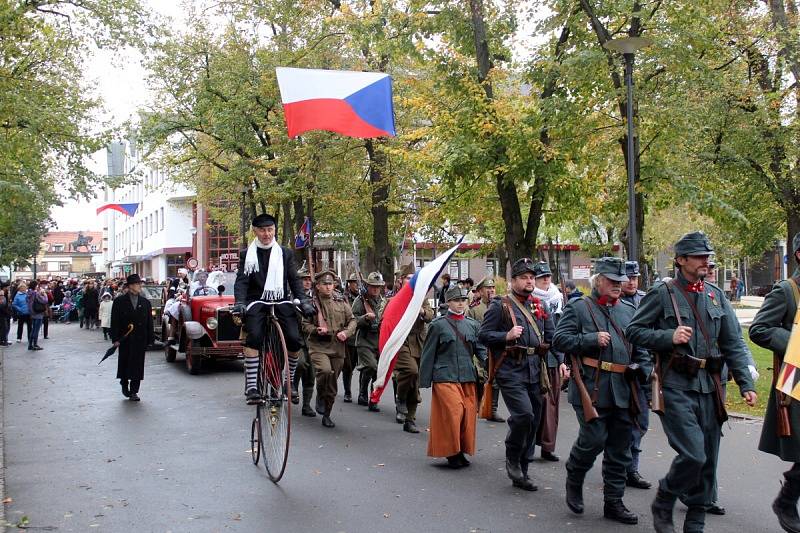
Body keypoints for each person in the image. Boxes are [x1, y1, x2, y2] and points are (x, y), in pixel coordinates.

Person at [626, 231, 757, 533]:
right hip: (677, 384)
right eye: (699, 257)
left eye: (708, 257)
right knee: (694, 454)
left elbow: (733, 341)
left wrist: (746, 383)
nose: (706, 262)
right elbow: (634, 331)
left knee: (709, 457)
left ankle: (695, 521)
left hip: (711, 386)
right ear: (681, 260)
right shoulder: (663, 294)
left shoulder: (715, 294)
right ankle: (665, 498)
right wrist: (666, 337)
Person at [553, 257, 649, 525]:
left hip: (623, 387)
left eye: (621, 282)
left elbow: (640, 346)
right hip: (591, 386)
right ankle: (575, 472)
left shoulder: (629, 311)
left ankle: (614, 502)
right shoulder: (579, 308)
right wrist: (590, 340)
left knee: (621, 448)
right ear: (599, 281)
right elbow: (560, 340)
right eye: (613, 281)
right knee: (594, 439)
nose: (619, 285)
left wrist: (643, 367)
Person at [478, 257, 556, 491]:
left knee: (534, 419)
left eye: (532, 277)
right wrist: (506, 336)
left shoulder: (539, 306)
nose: (529, 281)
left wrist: (559, 360)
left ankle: (523, 467)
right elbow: (483, 335)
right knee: (523, 415)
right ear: (513, 281)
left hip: (535, 369)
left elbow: (552, 335)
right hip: (511, 369)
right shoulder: (500, 305)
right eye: (524, 277)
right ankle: (513, 457)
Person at [233, 213, 314, 405]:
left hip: (280, 301)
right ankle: (252, 386)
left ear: (274, 230)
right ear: (255, 231)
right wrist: (240, 303)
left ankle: (289, 382)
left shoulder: (285, 253)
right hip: (257, 301)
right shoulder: (247, 254)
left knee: (294, 339)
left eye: (270, 230)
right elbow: (242, 282)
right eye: (262, 230)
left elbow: (294, 280)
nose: (266, 234)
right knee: (254, 337)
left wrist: (304, 301)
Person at [749, 231, 800, 533]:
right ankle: (786, 500)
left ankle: (787, 498)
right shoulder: (787, 291)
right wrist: (795, 343)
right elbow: (759, 329)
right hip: (795, 382)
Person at [420, 286, 487, 468]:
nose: (460, 303)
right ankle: (452, 452)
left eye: (463, 300)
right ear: (448, 302)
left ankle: (461, 450)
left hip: (467, 376)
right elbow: (428, 353)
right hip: (444, 376)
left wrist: (491, 366)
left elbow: (480, 350)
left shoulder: (473, 325)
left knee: (467, 415)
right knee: (454, 412)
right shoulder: (438, 325)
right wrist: (424, 380)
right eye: (456, 300)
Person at [301, 270, 356, 428]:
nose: (328, 287)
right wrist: (315, 329)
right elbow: (305, 324)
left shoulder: (341, 301)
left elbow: (352, 320)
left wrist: (347, 332)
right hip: (319, 346)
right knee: (325, 371)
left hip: (337, 347)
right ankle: (319, 393)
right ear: (317, 286)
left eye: (330, 284)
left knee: (332, 385)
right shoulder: (312, 304)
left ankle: (327, 414)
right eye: (324, 284)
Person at [389, 263, 434, 433]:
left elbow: (430, 315)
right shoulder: (394, 298)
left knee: (415, 383)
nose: (411, 280)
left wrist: (422, 310)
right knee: (411, 371)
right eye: (408, 278)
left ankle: (410, 419)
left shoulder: (421, 297)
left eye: (413, 278)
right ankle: (400, 397)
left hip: (419, 341)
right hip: (401, 341)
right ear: (401, 281)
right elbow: (384, 318)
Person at [620, 260, 652, 490]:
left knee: (641, 422)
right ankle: (619, 465)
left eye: (635, 277)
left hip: (643, 369)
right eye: (627, 278)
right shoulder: (613, 302)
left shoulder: (646, 299)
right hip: (620, 371)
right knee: (618, 424)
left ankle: (631, 467)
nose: (631, 281)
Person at [532, 261, 568, 463]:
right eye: (541, 277)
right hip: (536, 358)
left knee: (552, 404)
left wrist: (564, 359)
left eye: (548, 276)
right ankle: (528, 444)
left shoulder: (559, 298)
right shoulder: (528, 301)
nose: (546, 280)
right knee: (536, 404)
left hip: (555, 358)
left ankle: (547, 446)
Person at [110, 274, 154, 401]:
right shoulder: (119, 302)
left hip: (140, 339)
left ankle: (134, 391)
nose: (139, 286)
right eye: (136, 284)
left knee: (138, 365)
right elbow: (115, 321)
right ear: (129, 286)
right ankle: (124, 383)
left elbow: (149, 322)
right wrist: (116, 339)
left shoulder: (145, 302)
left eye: (140, 283)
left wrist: (150, 339)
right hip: (125, 339)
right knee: (125, 362)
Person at [468, 276, 504, 422]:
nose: (491, 291)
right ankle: (478, 404)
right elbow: (471, 332)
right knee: (480, 377)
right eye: (487, 288)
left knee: (494, 379)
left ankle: (492, 409)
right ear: (480, 292)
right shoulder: (475, 311)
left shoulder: (502, 307)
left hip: (496, 349)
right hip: (479, 349)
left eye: (492, 288)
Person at [351, 272, 386, 412]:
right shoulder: (360, 301)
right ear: (368, 286)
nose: (376, 289)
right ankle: (362, 391)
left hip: (379, 340)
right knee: (372, 367)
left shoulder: (384, 301)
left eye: (378, 287)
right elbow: (352, 321)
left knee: (378, 372)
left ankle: (373, 398)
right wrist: (365, 318)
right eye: (373, 286)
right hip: (364, 340)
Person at [292, 267, 317, 417]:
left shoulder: (316, 298)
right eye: (304, 279)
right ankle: (293, 386)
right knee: (300, 363)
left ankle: (306, 405)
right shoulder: (290, 298)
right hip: (296, 339)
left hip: (312, 340)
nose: (307, 282)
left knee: (311, 373)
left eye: (309, 280)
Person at [342, 272, 362, 403]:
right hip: (349, 337)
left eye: (359, 282)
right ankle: (347, 391)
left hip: (362, 337)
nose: (357, 285)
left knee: (365, 367)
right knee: (348, 366)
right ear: (349, 284)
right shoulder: (343, 298)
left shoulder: (363, 298)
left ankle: (362, 393)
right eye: (355, 282)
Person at [26, 280, 48, 351]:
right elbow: (44, 301)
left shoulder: (28, 293)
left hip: (32, 312)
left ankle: (30, 344)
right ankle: (34, 344)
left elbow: (27, 301)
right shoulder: (36, 293)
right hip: (38, 312)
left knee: (33, 329)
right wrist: (45, 295)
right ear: (35, 286)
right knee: (36, 329)